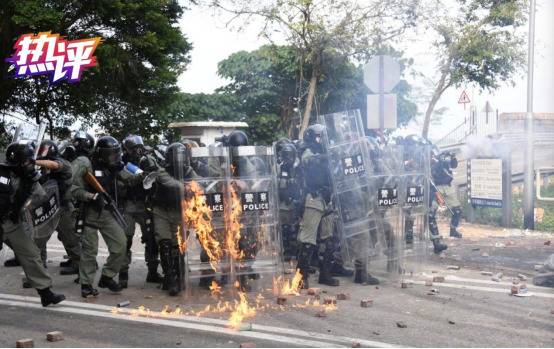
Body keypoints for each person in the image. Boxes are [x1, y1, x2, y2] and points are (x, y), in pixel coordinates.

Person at [71, 136, 142, 298]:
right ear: (101, 154)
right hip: (89, 213)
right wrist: (91, 196)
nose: (115, 157)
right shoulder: (87, 165)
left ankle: (107, 276)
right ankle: (86, 285)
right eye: (111, 154)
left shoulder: (115, 166)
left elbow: (130, 179)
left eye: (116, 154)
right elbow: (73, 190)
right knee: (89, 251)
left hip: (108, 213)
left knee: (121, 246)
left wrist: (145, 176)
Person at [0, 141, 65, 306]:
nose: (30, 164)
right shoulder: (2, 173)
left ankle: (46, 293)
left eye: (31, 160)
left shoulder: (29, 178)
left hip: (11, 222)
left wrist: (25, 204)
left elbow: (40, 197)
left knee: (31, 255)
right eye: (26, 161)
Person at [150, 142, 198, 296]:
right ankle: (170, 278)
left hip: (180, 212)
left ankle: (179, 276)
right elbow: (171, 183)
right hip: (162, 212)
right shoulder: (162, 171)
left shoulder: (189, 171)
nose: (179, 160)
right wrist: (187, 187)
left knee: (178, 247)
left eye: (182, 156)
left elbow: (200, 184)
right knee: (164, 243)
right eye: (176, 157)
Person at [296, 124, 339, 288]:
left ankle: (325, 274)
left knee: (329, 240)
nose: (323, 140)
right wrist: (325, 157)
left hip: (327, 199)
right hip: (313, 198)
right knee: (308, 240)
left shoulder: (327, 153)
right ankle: (301, 277)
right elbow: (308, 162)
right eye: (320, 137)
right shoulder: (307, 151)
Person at [118, 135, 163, 288]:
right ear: (127, 149)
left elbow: (158, 175)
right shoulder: (121, 162)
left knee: (151, 238)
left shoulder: (148, 159)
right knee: (126, 239)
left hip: (145, 205)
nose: (137, 151)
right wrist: (140, 176)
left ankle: (152, 272)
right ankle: (123, 273)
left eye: (139, 147)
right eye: (133, 148)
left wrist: (151, 170)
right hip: (129, 205)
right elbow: (124, 181)